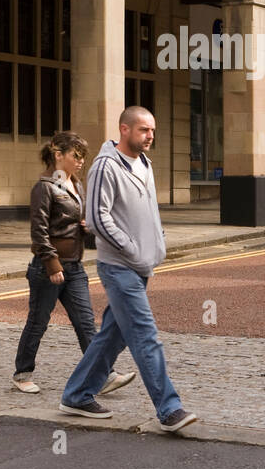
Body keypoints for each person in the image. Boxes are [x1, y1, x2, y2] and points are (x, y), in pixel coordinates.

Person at [59, 106, 197, 433]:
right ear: (124, 129)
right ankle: (169, 408)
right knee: (144, 335)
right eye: (143, 130)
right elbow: (96, 218)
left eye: (152, 130)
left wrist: (156, 244)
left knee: (112, 336)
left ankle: (77, 394)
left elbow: (147, 212)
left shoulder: (145, 163)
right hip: (119, 266)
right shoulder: (105, 166)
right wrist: (132, 248)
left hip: (141, 265)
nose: (150, 136)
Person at [12, 131, 135, 396]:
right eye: (75, 156)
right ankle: (22, 373)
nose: (80, 162)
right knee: (38, 322)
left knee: (86, 323)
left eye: (83, 157)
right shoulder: (44, 187)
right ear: (58, 155)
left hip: (75, 268)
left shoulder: (76, 185)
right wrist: (52, 264)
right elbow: (39, 232)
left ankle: (103, 375)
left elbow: (79, 224)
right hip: (48, 269)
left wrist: (88, 229)